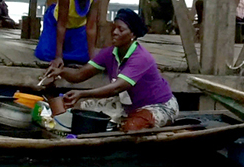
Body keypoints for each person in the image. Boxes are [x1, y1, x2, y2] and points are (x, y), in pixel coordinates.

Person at [49, 8, 180, 132]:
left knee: (130, 127)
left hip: (159, 105)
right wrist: (61, 72)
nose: (115, 32)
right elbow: (79, 75)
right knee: (79, 109)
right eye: (114, 28)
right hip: (127, 105)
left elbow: (116, 88)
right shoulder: (109, 53)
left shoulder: (140, 57)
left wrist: (82, 94)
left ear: (132, 34)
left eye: (120, 29)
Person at [36, 0, 105, 68]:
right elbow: (61, 25)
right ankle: (60, 53)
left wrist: (92, 58)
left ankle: (68, 51)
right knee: (44, 54)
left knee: (84, 57)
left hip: (77, 26)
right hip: (56, 23)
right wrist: (58, 57)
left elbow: (90, 27)